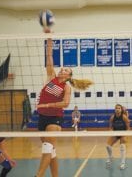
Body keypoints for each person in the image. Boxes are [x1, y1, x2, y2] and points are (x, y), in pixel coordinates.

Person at [35, 28, 93, 177]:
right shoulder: (51, 77)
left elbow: (65, 104)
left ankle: (38, 175)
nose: (62, 69)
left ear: (68, 76)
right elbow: (49, 56)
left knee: (47, 147)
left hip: (55, 118)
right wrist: (49, 38)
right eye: (62, 68)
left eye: (65, 70)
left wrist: (46, 105)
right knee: (51, 150)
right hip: (42, 117)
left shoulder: (66, 87)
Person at [106, 104, 130, 170]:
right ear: (115, 109)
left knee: (122, 146)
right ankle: (111, 157)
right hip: (116, 133)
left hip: (123, 133)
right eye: (116, 108)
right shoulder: (112, 117)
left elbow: (128, 127)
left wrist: (126, 134)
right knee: (108, 146)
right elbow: (110, 127)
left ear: (121, 109)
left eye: (119, 108)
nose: (117, 109)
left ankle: (122, 164)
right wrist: (111, 132)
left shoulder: (124, 117)